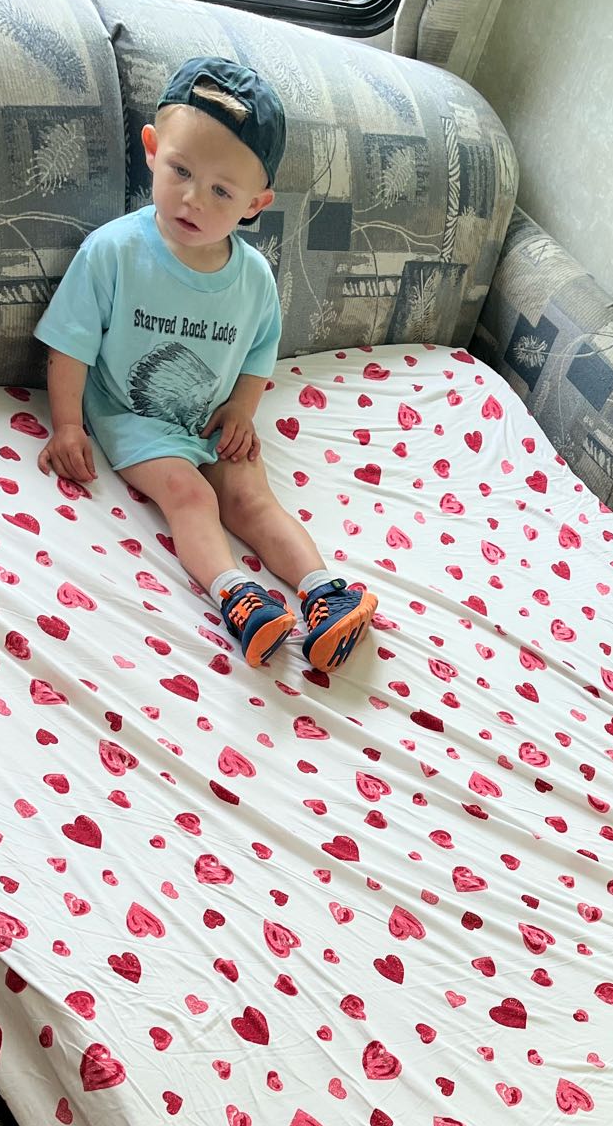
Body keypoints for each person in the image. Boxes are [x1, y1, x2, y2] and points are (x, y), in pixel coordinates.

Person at [32, 56, 376, 672]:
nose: (193, 198)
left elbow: (257, 352)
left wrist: (243, 410)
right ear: (152, 149)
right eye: (180, 170)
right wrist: (67, 426)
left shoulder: (255, 278)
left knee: (251, 498)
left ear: (255, 203)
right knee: (190, 495)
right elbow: (70, 344)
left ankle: (325, 594)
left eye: (221, 191)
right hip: (136, 420)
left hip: (213, 416)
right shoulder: (113, 252)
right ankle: (238, 597)